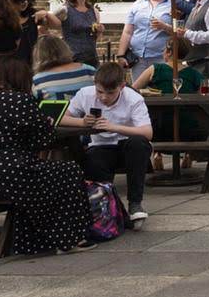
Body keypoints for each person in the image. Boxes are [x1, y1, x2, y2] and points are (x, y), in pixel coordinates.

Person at [0, 55, 94, 255]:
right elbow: (41, 142)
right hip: (10, 175)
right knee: (69, 171)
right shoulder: (20, 100)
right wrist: (47, 125)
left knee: (42, 176)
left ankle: (35, 238)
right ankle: (68, 238)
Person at [62, 62, 152, 226]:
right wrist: (81, 122)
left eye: (110, 93)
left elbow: (147, 132)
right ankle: (113, 209)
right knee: (93, 159)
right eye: (100, 92)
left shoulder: (133, 99)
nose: (103, 97)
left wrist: (114, 127)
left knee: (138, 143)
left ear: (122, 86)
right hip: (101, 147)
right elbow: (61, 118)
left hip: (127, 147)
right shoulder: (85, 94)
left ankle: (135, 203)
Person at [132, 35, 205, 145]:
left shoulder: (155, 69)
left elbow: (133, 90)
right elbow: (202, 97)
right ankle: (189, 155)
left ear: (169, 52)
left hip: (158, 124)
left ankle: (157, 153)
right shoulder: (195, 74)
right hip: (188, 126)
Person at [118, 0, 172, 78]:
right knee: (138, 91)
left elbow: (179, 31)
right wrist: (121, 55)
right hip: (138, 58)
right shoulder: (137, 5)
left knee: (160, 91)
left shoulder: (173, 5)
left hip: (160, 58)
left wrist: (164, 26)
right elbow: (127, 32)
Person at [42, 0, 102, 66]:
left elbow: (95, 38)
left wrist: (99, 31)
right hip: (71, 61)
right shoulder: (65, 10)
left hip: (91, 60)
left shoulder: (94, 11)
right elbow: (44, 26)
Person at [31, 36, 95, 101]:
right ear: (65, 49)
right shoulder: (88, 70)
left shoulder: (38, 80)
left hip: (56, 111)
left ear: (38, 55)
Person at [7, 0, 40, 64]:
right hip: (10, 64)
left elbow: (56, 25)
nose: (25, 2)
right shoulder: (3, 19)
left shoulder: (32, 15)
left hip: (30, 64)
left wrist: (46, 14)